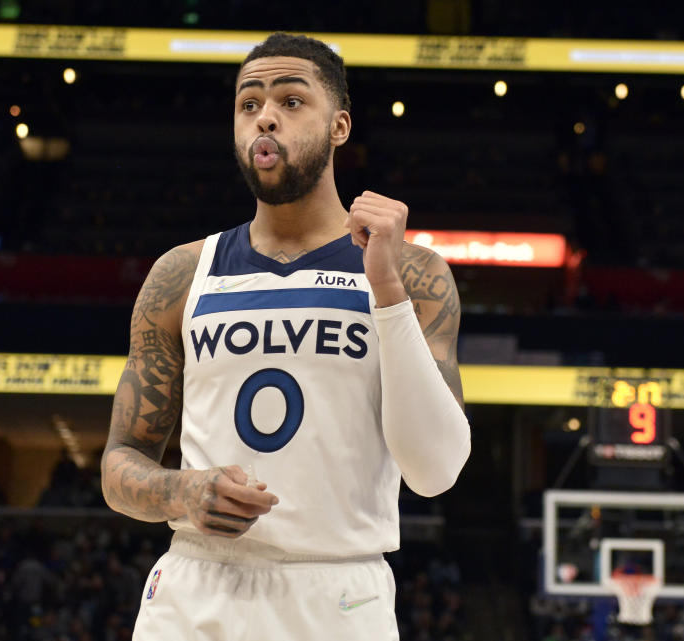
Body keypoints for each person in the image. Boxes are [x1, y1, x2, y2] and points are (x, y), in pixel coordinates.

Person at [101, 32, 471, 640]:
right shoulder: (181, 273)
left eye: (292, 101)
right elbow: (120, 463)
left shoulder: (411, 272)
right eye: (249, 104)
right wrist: (181, 491)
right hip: (196, 586)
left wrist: (386, 291)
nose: (265, 116)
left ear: (340, 127)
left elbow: (435, 471)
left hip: (337, 592)